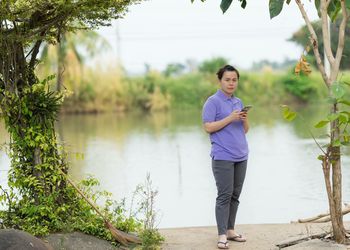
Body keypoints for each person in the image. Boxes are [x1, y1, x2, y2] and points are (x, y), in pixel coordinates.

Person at [202, 65, 249, 249]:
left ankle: (230, 230)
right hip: (223, 156)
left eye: (234, 80)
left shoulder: (238, 101)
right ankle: (221, 235)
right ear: (220, 81)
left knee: (235, 195)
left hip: (242, 155)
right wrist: (230, 118)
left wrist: (244, 118)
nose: (231, 83)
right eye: (227, 80)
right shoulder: (212, 102)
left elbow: (245, 130)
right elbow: (208, 127)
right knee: (224, 195)